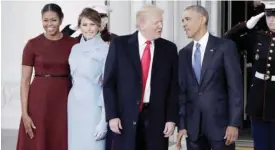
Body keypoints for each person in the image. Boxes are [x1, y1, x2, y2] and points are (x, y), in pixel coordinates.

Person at [103, 4, 179, 150]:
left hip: (157, 118)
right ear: (142, 24)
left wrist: (171, 119)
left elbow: (173, 87)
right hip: (125, 117)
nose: (161, 26)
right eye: (157, 22)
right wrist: (112, 115)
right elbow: (109, 83)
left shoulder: (169, 49)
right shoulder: (120, 45)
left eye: (161, 22)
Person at [177, 5, 243, 150]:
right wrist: (181, 125)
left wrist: (234, 123)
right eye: (182, 20)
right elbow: (181, 92)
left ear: (202, 19)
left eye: (187, 19)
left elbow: (235, 88)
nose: (183, 24)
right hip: (193, 129)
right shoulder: (183, 53)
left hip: (221, 128)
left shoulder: (225, 47)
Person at [16, 3, 78, 150]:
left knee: (61, 138)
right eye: (46, 20)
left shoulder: (73, 44)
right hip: (39, 101)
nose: (49, 24)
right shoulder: (32, 45)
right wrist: (24, 113)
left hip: (64, 98)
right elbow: (24, 81)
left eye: (53, 20)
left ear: (61, 20)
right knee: (38, 139)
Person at [224, 1, 275, 150]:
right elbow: (227, 39)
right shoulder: (258, 37)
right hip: (258, 102)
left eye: (274, 16)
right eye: (268, 16)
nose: (271, 20)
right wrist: (246, 25)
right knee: (260, 145)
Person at [67, 8, 109, 150]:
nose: (88, 28)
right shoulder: (75, 48)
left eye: (92, 24)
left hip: (94, 105)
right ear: (79, 26)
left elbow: (107, 85)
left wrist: (104, 121)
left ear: (99, 25)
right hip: (74, 104)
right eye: (84, 24)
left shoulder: (106, 49)